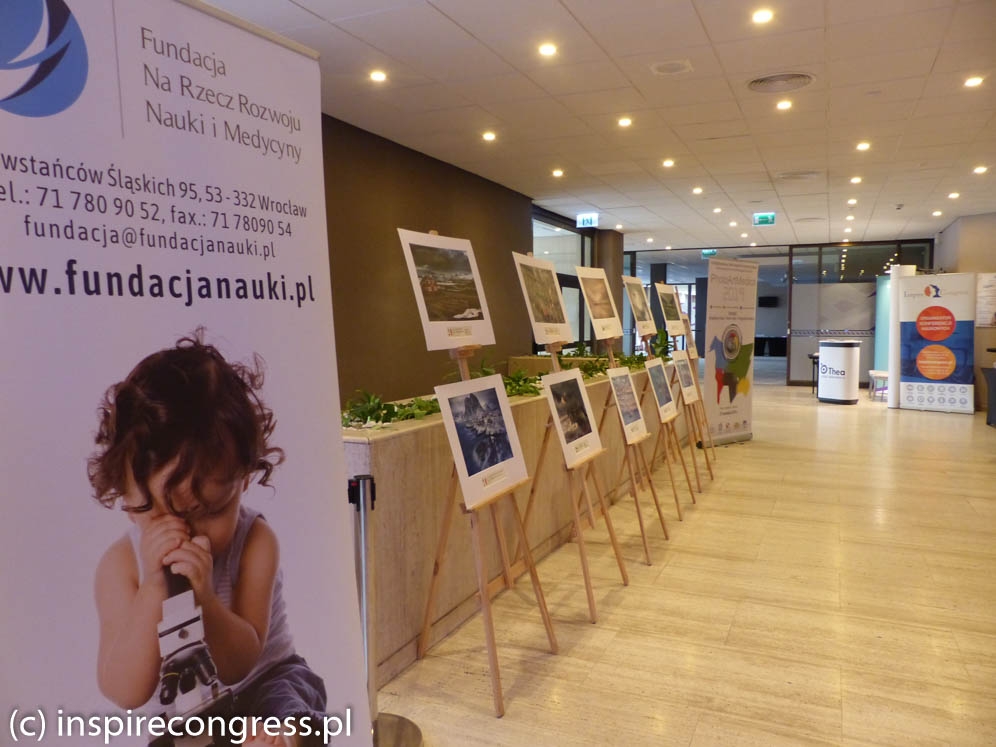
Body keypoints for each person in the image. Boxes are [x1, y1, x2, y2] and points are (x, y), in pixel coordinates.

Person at [88, 330, 325, 746]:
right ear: (125, 497)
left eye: (212, 511)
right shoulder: (121, 567)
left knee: (292, 704)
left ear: (244, 480)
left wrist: (206, 601)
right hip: (188, 712)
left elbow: (240, 663)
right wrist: (153, 590)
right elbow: (125, 692)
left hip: (265, 683)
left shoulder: (256, 542)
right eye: (159, 515)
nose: (187, 533)